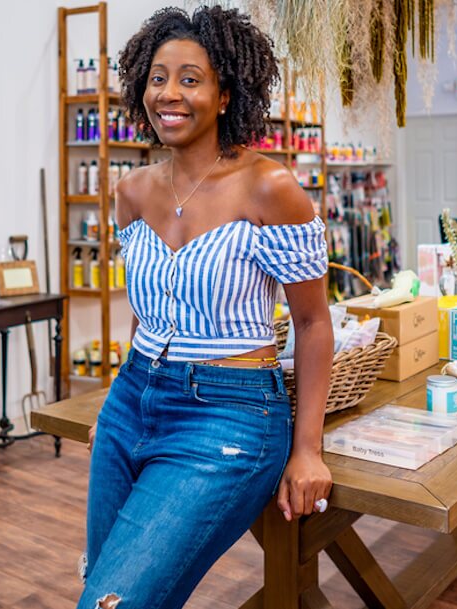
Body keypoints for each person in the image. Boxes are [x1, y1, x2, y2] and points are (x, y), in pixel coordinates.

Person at [77, 7, 334, 609]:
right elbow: (147, 309)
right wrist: (124, 394)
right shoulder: (132, 192)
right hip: (132, 402)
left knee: (114, 602)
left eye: (190, 79)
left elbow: (313, 323)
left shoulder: (270, 188)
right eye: (158, 78)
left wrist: (307, 448)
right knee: (99, 585)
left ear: (224, 94)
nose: (170, 93)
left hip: (228, 417)